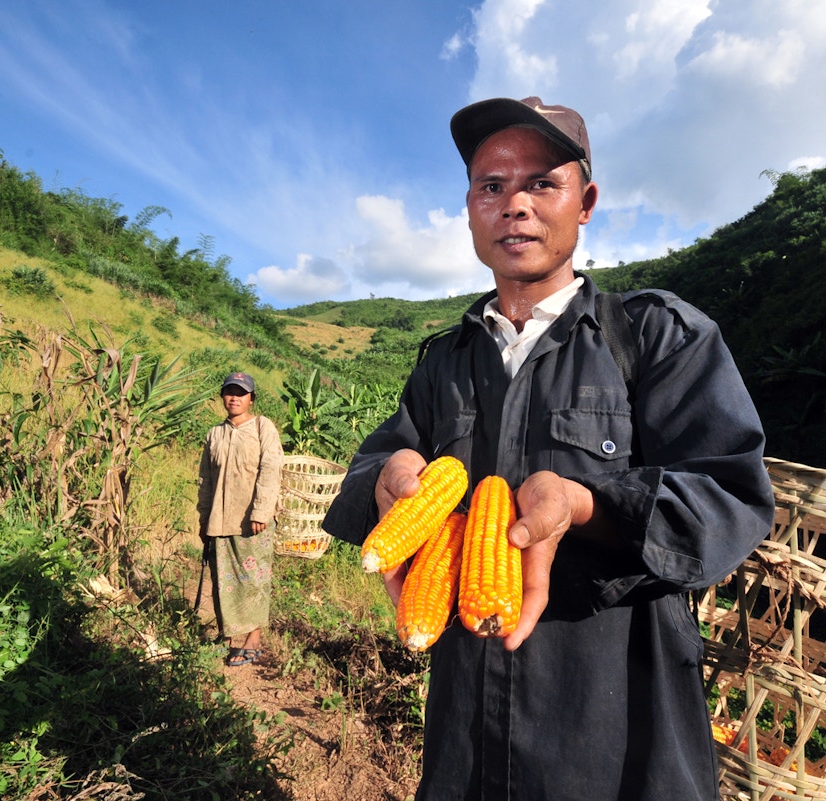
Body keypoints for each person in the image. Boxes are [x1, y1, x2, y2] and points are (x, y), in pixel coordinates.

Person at [322, 97, 776, 800]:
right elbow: (376, 462)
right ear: (471, 207)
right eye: (492, 185)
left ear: (585, 201)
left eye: (541, 182)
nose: (516, 206)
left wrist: (587, 504)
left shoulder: (655, 337)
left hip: (619, 730)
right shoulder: (443, 361)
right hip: (466, 730)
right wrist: (388, 477)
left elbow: (731, 494)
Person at [197, 371, 284, 668]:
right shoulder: (215, 434)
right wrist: (203, 518)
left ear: (251, 398)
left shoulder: (263, 427)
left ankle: (253, 639)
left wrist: (261, 511)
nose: (234, 397)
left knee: (252, 580)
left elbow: (271, 469)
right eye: (229, 392)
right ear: (222, 396)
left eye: (241, 393)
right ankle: (227, 635)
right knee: (224, 581)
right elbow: (205, 480)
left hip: (252, 521)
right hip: (220, 519)